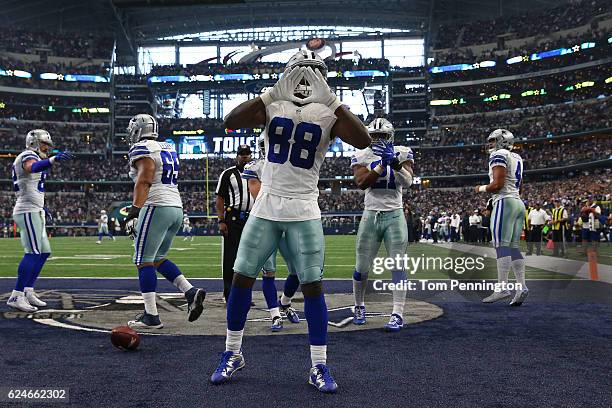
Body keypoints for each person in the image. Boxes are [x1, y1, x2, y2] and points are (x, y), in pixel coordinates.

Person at [209, 51, 371, 393]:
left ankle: (319, 364)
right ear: (287, 75)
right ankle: (232, 353)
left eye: (312, 75)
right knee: (241, 280)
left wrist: (333, 100)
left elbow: (363, 140)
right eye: (299, 73)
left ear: (323, 80)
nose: (304, 80)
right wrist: (272, 93)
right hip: (267, 204)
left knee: (312, 286)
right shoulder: (273, 104)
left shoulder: (328, 112)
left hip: (303, 208)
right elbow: (230, 121)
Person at [122, 114, 206, 329]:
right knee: (158, 258)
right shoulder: (167, 146)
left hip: (156, 205)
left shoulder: (142, 148)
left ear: (137, 130)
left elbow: (146, 178)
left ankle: (151, 315)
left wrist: (133, 212)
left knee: (143, 260)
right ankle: (190, 291)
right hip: (175, 207)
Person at [350, 118, 414, 331]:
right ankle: (359, 305)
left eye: (382, 136)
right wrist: (380, 166)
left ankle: (397, 312)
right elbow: (361, 183)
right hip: (370, 214)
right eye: (374, 136)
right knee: (361, 266)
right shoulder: (361, 155)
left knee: (398, 266)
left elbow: (408, 182)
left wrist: (395, 164)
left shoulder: (402, 152)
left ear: (391, 137)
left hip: (394, 214)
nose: (377, 140)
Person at [7, 129, 74, 312]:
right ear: (34, 142)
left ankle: (28, 290)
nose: (47, 147)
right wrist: (54, 159)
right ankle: (16, 295)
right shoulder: (27, 155)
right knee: (33, 252)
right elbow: (31, 168)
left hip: (35, 210)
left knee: (44, 252)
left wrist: (43, 208)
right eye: (44, 144)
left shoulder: (34, 156)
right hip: (27, 210)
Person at [241, 137, 301, 331]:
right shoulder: (255, 167)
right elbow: (258, 195)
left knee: (299, 270)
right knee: (269, 273)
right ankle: (275, 314)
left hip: (288, 219)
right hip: (265, 221)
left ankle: (285, 301)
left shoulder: (291, 163)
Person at [475, 129, 528, 306]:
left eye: (492, 141)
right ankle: (521, 286)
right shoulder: (517, 157)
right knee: (513, 246)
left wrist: (481, 189)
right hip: (518, 203)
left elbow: (498, 184)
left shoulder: (499, 154)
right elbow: (519, 186)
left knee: (501, 245)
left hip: (504, 201)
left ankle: (502, 287)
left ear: (501, 141)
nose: (490, 144)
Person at [216, 145, 253, 302]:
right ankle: (229, 293)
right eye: (241, 154)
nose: (244, 157)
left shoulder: (256, 174)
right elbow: (220, 198)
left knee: (249, 258)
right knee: (231, 257)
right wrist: (221, 219)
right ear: (237, 156)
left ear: (251, 155)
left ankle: (244, 294)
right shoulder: (228, 174)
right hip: (233, 219)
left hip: (251, 218)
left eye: (247, 154)